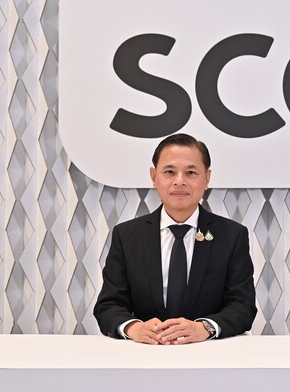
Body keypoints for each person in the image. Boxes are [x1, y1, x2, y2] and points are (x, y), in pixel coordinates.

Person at [94, 133, 257, 344]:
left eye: (191, 172)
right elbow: (108, 305)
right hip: (145, 352)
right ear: (154, 177)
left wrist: (203, 328)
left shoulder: (232, 236)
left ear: (207, 178)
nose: (179, 181)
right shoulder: (127, 235)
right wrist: (136, 328)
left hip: (208, 352)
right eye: (169, 172)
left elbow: (243, 306)